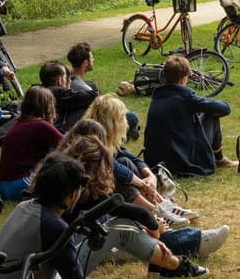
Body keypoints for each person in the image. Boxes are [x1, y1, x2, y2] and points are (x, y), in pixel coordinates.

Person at [61, 131, 211, 279]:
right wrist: (155, 233)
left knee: (125, 224)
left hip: (57, 262)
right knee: (123, 230)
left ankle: (166, 262)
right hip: (59, 271)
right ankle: (175, 263)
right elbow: (137, 213)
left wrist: (148, 228)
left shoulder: (64, 180)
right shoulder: (81, 191)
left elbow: (127, 211)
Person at [84, 94, 206, 229]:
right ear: (112, 122)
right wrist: (143, 184)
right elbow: (116, 168)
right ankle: (154, 211)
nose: (125, 123)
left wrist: (150, 176)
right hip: (92, 197)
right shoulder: (92, 141)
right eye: (122, 118)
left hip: (103, 191)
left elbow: (131, 157)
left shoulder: (101, 136)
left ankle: (163, 205)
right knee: (117, 175)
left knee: (126, 161)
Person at [144, 55, 235, 176]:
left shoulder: (157, 96)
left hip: (155, 161)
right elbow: (225, 108)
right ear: (183, 78)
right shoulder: (187, 98)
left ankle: (219, 159)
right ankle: (219, 158)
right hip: (181, 161)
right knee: (211, 115)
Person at [0, 85, 64, 200]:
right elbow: (67, 144)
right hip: (19, 185)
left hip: (4, 186)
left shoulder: (21, 122)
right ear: (48, 106)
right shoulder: (41, 125)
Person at [66, 41, 140, 138]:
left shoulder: (69, 80)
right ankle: (129, 131)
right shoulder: (86, 88)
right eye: (92, 57)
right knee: (133, 117)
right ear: (86, 63)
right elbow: (103, 107)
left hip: (85, 120)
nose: (93, 59)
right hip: (94, 122)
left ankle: (130, 130)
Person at [44, 55, 98, 133]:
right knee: (87, 106)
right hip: (58, 132)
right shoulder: (58, 92)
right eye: (66, 77)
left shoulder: (39, 89)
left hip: (45, 128)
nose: (69, 79)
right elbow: (93, 95)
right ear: (59, 80)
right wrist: (70, 86)